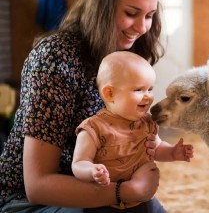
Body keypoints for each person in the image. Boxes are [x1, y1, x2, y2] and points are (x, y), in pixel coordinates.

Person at [0, 0, 170, 212]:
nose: (143, 27)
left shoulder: (126, 54)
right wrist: (127, 191)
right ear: (101, 6)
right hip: (29, 200)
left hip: (99, 186)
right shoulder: (55, 58)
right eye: (131, 13)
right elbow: (37, 186)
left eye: (149, 15)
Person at [72, 51, 194, 210]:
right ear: (110, 94)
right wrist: (91, 171)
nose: (148, 96)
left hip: (143, 201)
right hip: (105, 204)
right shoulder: (93, 128)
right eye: (139, 90)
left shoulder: (147, 122)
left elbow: (156, 148)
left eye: (150, 89)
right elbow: (79, 163)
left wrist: (172, 153)